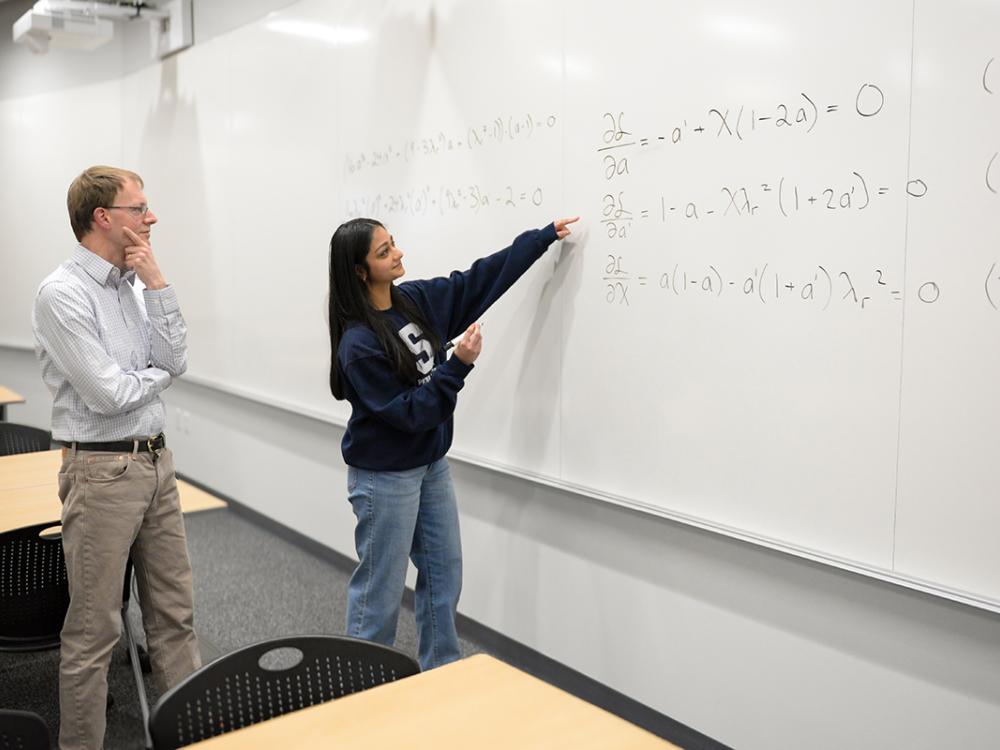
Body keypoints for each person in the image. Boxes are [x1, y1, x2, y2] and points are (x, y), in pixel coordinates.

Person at [327, 214, 579, 670]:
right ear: (361, 271)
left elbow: (477, 281)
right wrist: (457, 365)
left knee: (443, 579)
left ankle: (440, 674)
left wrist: (539, 240)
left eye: (393, 243)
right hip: (385, 476)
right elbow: (412, 413)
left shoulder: (415, 301)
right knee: (380, 593)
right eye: (384, 252)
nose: (398, 253)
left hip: (429, 465)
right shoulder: (359, 344)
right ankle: (357, 691)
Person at [32, 166, 201, 750]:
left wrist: (156, 282)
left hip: (155, 463)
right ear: (104, 217)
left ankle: (192, 738)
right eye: (140, 208)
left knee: (175, 618)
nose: (150, 218)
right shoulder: (62, 294)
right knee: (93, 632)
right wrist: (157, 374)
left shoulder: (133, 283)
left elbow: (175, 357)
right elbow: (107, 395)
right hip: (102, 471)